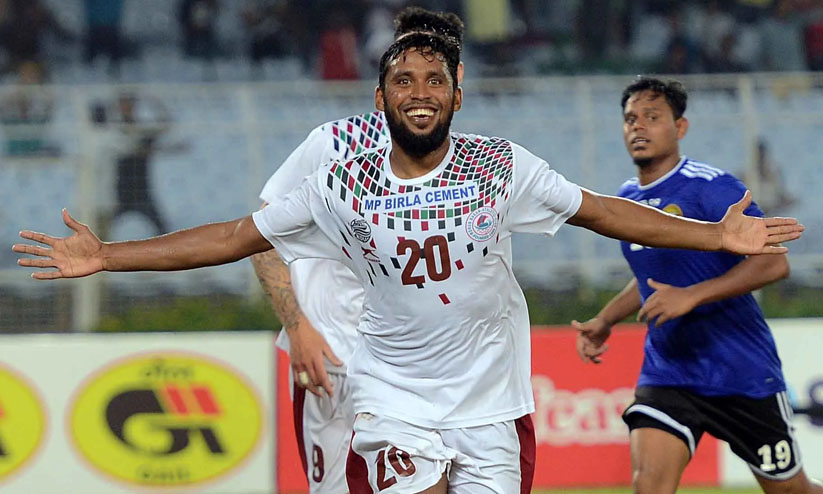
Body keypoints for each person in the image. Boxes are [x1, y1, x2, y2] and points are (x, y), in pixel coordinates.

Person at [14, 29, 803, 494]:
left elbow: (598, 210)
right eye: (402, 80)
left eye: (434, 79)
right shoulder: (343, 181)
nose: (418, 91)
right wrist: (108, 255)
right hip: (393, 400)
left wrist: (715, 238)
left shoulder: (499, 165)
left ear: (456, 95)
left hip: (490, 407)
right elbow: (233, 236)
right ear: (381, 97)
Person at [249, 7, 466, 493]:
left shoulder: (469, 163)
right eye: (405, 66)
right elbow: (261, 239)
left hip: (416, 371)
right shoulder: (332, 143)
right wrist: (298, 328)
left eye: (434, 69)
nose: (418, 85)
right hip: (333, 360)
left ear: (456, 79)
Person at [573, 76, 822, 494]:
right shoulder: (626, 198)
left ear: (680, 127)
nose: (638, 126)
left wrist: (692, 296)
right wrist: (605, 319)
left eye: (652, 117)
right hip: (669, 371)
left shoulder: (711, 187)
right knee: (649, 487)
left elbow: (774, 264)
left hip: (740, 371)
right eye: (631, 118)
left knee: (790, 491)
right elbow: (650, 277)